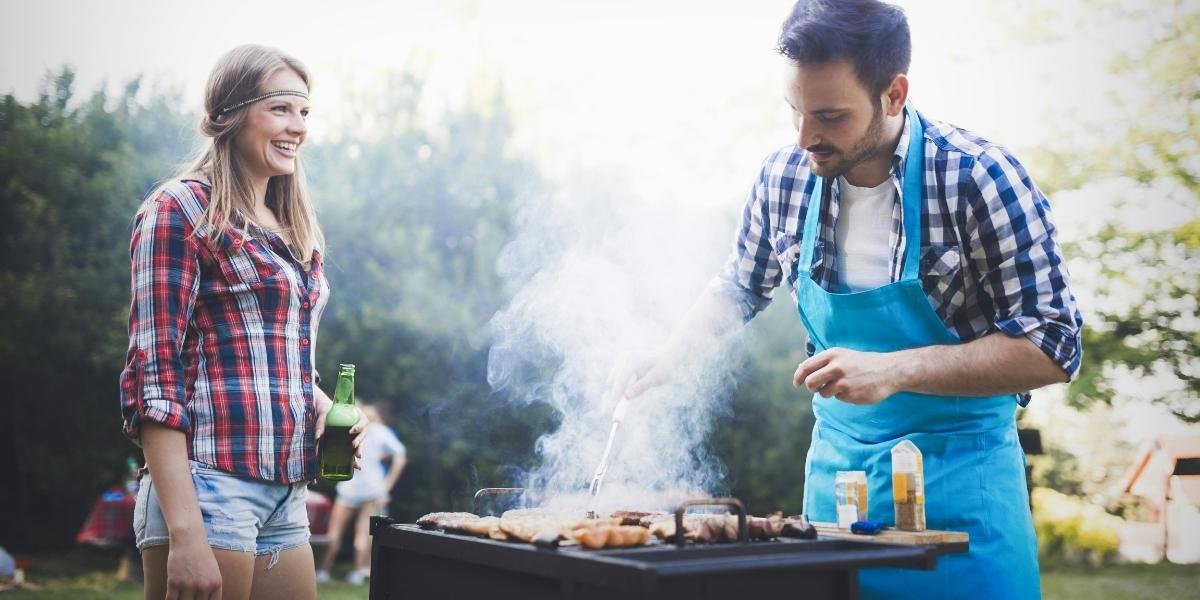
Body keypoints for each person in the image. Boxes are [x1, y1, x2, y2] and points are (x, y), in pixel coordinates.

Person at [609, 2, 1083, 598]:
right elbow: (738, 285)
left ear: (893, 94)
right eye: (796, 112)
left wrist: (895, 369)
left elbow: (1053, 343)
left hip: (965, 496)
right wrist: (664, 357)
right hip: (839, 498)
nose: (806, 137)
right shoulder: (783, 178)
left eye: (829, 117)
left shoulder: (978, 178)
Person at [118, 44, 367, 600]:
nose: (297, 126)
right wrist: (186, 534)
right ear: (230, 114)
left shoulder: (292, 226)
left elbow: (272, 359)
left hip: (285, 488)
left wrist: (326, 408)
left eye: (304, 111)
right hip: (208, 485)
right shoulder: (179, 211)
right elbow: (154, 380)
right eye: (280, 108)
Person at [316, 403, 406, 585]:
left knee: (338, 532)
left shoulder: (346, 425)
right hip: (368, 488)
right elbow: (400, 455)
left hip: (355, 487)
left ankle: (324, 572)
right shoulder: (380, 430)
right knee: (360, 533)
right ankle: (356, 573)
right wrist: (386, 487)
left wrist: (385, 487)